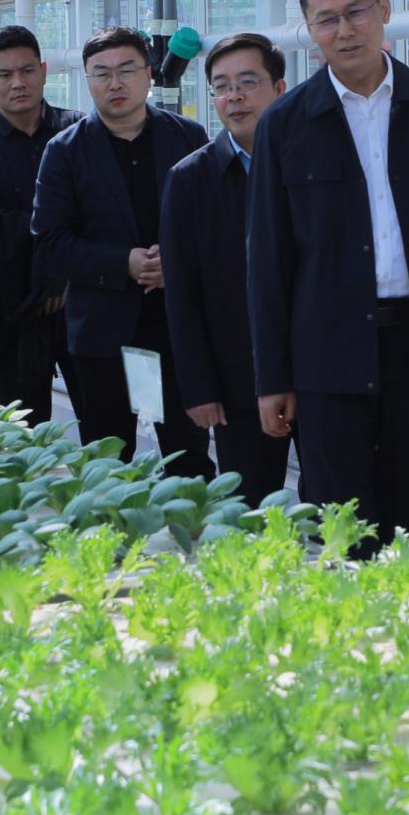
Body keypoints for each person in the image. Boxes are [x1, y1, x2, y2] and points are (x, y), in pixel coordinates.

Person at [246, 0, 409, 550]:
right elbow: (267, 261)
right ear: (309, 30)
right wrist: (272, 378)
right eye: (326, 20)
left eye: (356, 12)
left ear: (385, 9)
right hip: (327, 353)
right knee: (341, 522)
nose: (344, 30)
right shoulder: (285, 124)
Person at [30, 26, 212, 475]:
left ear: (149, 74)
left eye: (127, 70)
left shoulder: (188, 137)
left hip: (178, 329)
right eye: (102, 73)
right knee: (108, 459)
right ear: (87, 80)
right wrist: (123, 263)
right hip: (104, 334)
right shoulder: (64, 151)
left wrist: (178, 264)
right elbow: (50, 242)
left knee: (188, 455)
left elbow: (217, 225)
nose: (115, 83)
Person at [160, 33, 294, 502]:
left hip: (317, 373)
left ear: (280, 89)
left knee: (330, 505)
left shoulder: (312, 163)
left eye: (247, 82)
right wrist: (198, 387)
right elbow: (182, 293)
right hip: (238, 380)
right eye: (221, 86)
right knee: (249, 507)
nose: (234, 96)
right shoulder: (189, 179)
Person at [0, 25, 84, 428]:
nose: (18, 83)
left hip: (79, 298)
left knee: (103, 421)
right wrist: (60, 239)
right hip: (11, 305)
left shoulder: (79, 132)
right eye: (5, 74)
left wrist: (62, 275)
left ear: (44, 71)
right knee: (22, 428)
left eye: (27, 70)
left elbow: (100, 215)